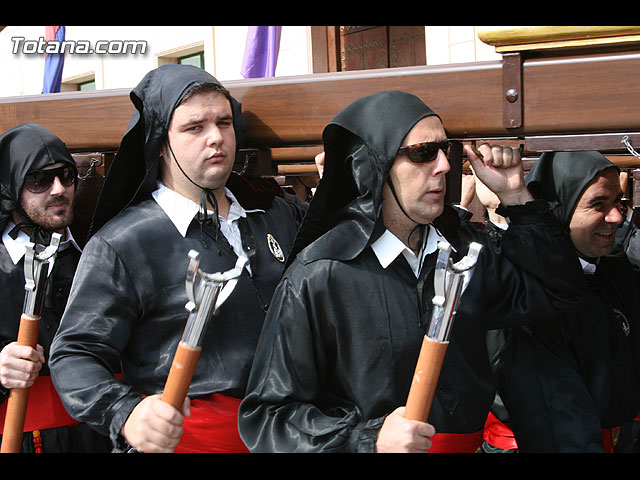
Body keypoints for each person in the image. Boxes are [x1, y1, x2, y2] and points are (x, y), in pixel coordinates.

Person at [237, 91, 585, 453]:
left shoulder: (464, 253)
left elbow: (559, 294)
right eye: (423, 153)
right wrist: (367, 440)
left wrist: (515, 195)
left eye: (445, 151)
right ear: (374, 166)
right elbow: (268, 417)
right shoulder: (319, 274)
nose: (445, 167)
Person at [48, 64, 306, 453]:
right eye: (194, 127)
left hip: (295, 434)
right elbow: (74, 353)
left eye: (224, 122)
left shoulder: (276, 213)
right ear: (160, 141)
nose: (216, 138)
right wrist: (126, 413)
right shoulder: (122, 243)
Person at [483, 151, 640, 453]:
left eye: (618, 203)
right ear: (559, 209)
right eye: (598, 204)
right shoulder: (526, 294)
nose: (617, 217)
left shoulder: (615, 271)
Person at [0, 123, 111, 453]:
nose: (59, 189)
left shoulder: (100, 253)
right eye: (40, 179)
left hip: (102, 438)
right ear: (12, 186)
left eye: (66, 175)